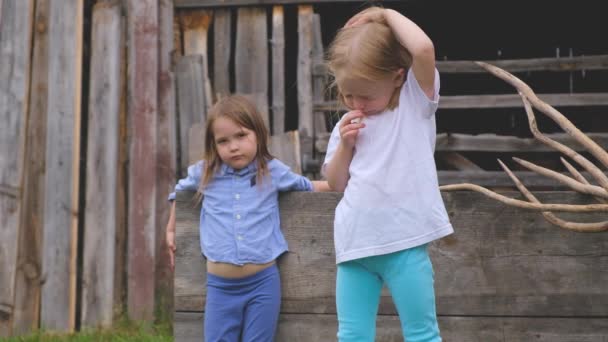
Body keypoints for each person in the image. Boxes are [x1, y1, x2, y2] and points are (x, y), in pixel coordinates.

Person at [322, 6, 453, 342]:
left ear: (397, 76)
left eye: (365, 94)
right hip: (355, 245)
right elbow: (337, 184)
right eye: (348, 93)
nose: (356, 102)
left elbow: (423, 49)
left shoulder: (415, 104)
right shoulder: (347, 124)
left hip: (405, 245)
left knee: (422, 334)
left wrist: (382, 13)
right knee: (352, 335)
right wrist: (345, 147)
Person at [165, 94, 330, 342]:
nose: (233, 146)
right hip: (220, 288)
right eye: (223, 141)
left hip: (262, 285)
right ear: (214, 145)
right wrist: (170, 229)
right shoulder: (205, 173)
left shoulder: (272, 171)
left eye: (241, 135)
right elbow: (178, 192)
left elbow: (307, 186)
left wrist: (345, 184)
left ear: (258, 134)